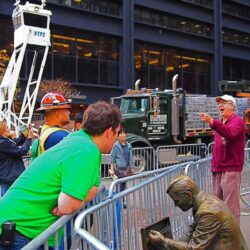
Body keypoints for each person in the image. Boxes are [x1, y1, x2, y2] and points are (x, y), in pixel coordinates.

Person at [0, 101, 121, 249]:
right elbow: (68, 206)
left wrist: (73, 200)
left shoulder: (78, 141)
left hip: (21, 227)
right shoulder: (86, 150)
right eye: (117, 132)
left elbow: (93, 188)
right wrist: (72, 202)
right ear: (109, 132)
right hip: (20, 231)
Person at [149, 175, 248, 250]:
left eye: (177, 201)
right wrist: (175, 243)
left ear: (188, 195)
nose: (175, 205)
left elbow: (194, 248)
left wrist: (164, 242)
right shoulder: (202, 201)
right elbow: (193, 228)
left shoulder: (209, 212)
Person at [199, 94, 245, 223]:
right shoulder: (221, 123)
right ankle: (222, 237)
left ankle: (234, 240)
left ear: (232, 106)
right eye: (219, 103)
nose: (220, 105)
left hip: (230, 169)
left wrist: (212, 122)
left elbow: (230, 133)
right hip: (218, 169)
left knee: (230, 208)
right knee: (218, 207)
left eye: (224, 103)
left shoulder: (237, 121)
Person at [31, 92, 71, 160]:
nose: (69, 113)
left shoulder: (45, 130)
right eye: (66, 110)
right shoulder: (59, 135)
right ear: (58, 114)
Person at [0, 120, 33, 196]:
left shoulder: (5, 140)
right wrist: (29, 139)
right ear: (1, 130)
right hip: (9, 177)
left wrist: (23, 135)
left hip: (8, 176)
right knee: (7, 201)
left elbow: (15, 143)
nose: (9, 129)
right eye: (7, 127)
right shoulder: (3, 143)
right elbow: (20, 152)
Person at [110, 128, 134, 208]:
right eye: (121, 134)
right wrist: (112, 169)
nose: (123, 135)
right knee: (118, 186)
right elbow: (112, 158)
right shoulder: (116, 146)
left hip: (126, 170)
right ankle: (118, 202)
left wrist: (132, 168)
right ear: (118, 136)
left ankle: (121, 201)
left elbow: (131, 157)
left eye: (124, 133)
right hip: (119, 170)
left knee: (123, 186)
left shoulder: (129, 145)